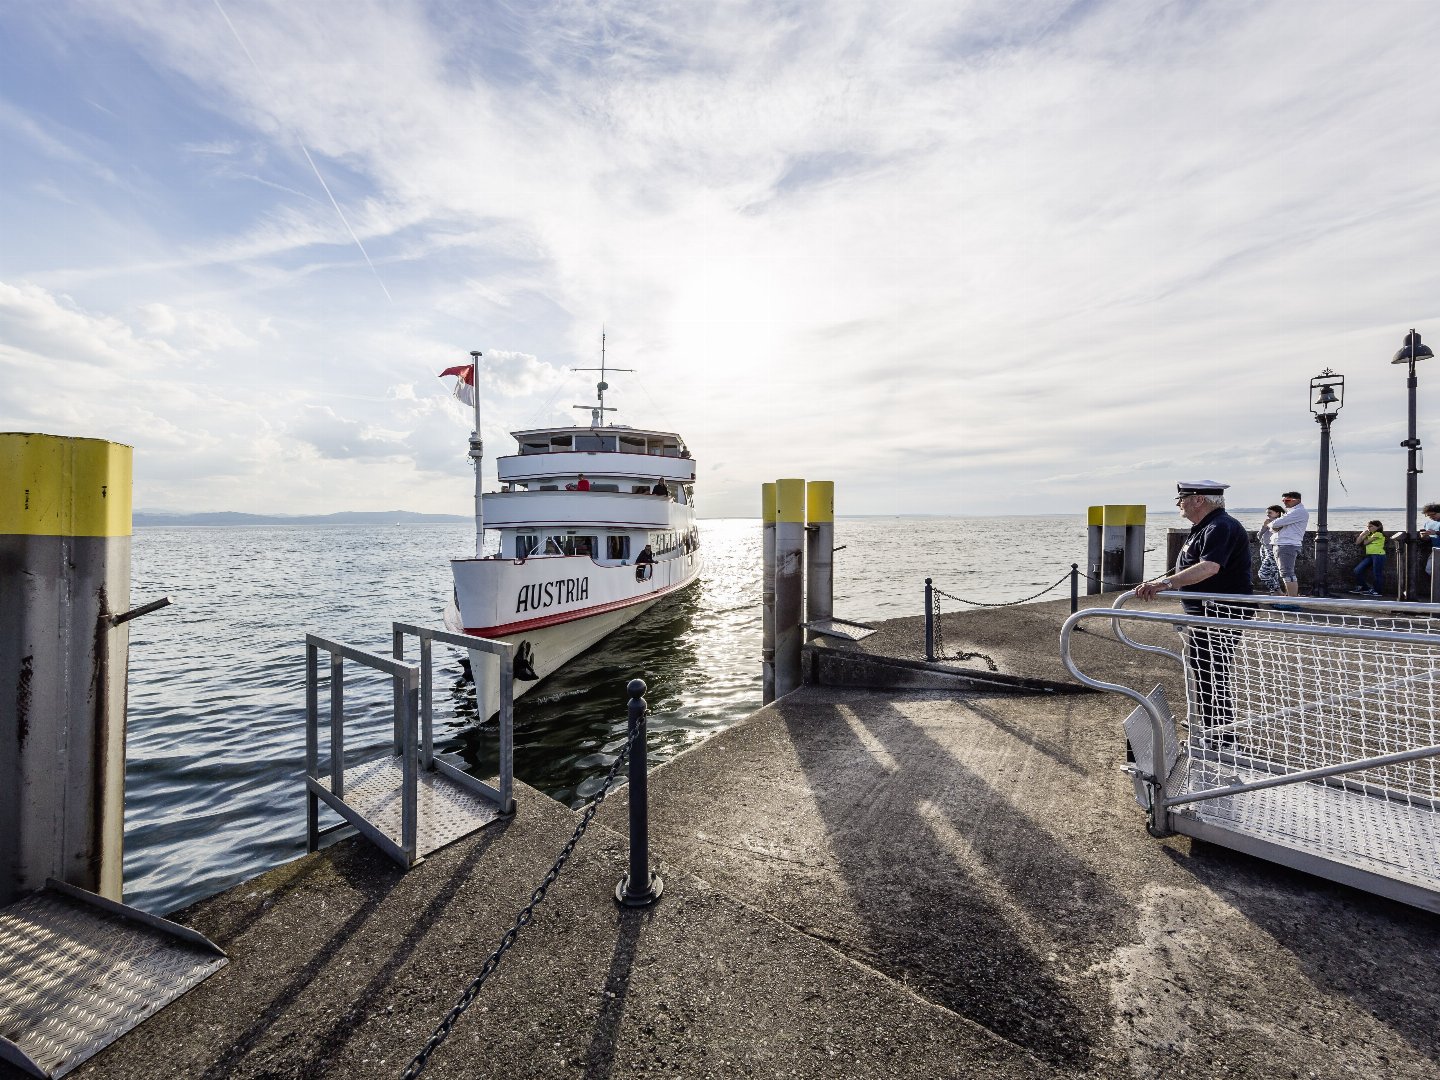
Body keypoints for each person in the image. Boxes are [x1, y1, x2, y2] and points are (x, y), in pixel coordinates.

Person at [1136, 481, 1254, 744]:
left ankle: (1220, 736)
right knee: (1204, 669)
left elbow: (1209, 567)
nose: (1179, 503)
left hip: (1220, 613)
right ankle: (1213, 726)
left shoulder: (1220, 526)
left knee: (1212, 671)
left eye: (1182, 498)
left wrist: (1165, 584)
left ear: (1198, 500)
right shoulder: (1206, 527)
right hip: (1207, 613)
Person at [1268, 490, 1309, 596]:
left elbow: (1275, 524)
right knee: (1285, 572)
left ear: (1298, 500)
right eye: (1283, 500)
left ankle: (1292, 600)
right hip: (1283, 544)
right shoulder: (1291, 512)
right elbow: (1274, 527)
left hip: (1287, 544)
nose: (1285, 502)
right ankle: (1289, 597)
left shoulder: (1298, 511)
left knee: (1287, 573)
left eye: (1288, 500)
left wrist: (1274, 524)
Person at [1351, 521, 1387, 596]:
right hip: (1370, 555)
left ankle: (1377, 591)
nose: (1368, 528)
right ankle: (1365, 588)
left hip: (1378, 555)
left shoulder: (1378, 534)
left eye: (1371, 526)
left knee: (1377, 573)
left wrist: (1365, 535)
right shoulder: (1370, 534)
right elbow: (1357, 542)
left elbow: (1365, 543)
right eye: (1368, 527)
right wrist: (1362, 534)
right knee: (1357, 570)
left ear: (1378, 527)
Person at [1256, 505, 1284, 594]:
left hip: (1273, 549)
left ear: (1277, 513)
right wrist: (1264, 527)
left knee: (1264, 573)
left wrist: (1270, 525)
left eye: (1270, 513)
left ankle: (1278, 591)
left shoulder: (1280, 523)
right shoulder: (1267, 522)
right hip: (1264, 548)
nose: (1268, 515)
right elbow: (1259, 536)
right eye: (1267, 513)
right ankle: (1274, 593)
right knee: (1272, 573)